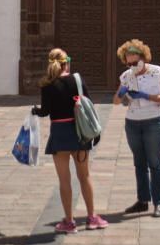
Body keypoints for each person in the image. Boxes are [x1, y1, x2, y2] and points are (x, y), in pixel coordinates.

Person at [31, 48, 108, 233]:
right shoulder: (77, 80)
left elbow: (46, 112)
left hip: (59, 134)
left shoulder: (47, 84)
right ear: (67, 62)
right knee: (84, 177)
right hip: (79, 133)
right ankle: (91, 218)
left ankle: (69, 222)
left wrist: (35, 110)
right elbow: (88, 103)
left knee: (64, 180)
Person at [113, 39, 160, 217]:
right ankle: (142, 200)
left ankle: (158, 203)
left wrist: (147, 96)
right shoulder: (126, 76)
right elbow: (116, 101)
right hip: (133, 122)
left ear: (143, 58)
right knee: (139, 163)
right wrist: (122, 94)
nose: (132, 66)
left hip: (154, 121)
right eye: (128, 63)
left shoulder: (157, 72)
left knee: (154, 162)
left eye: (135, 62)